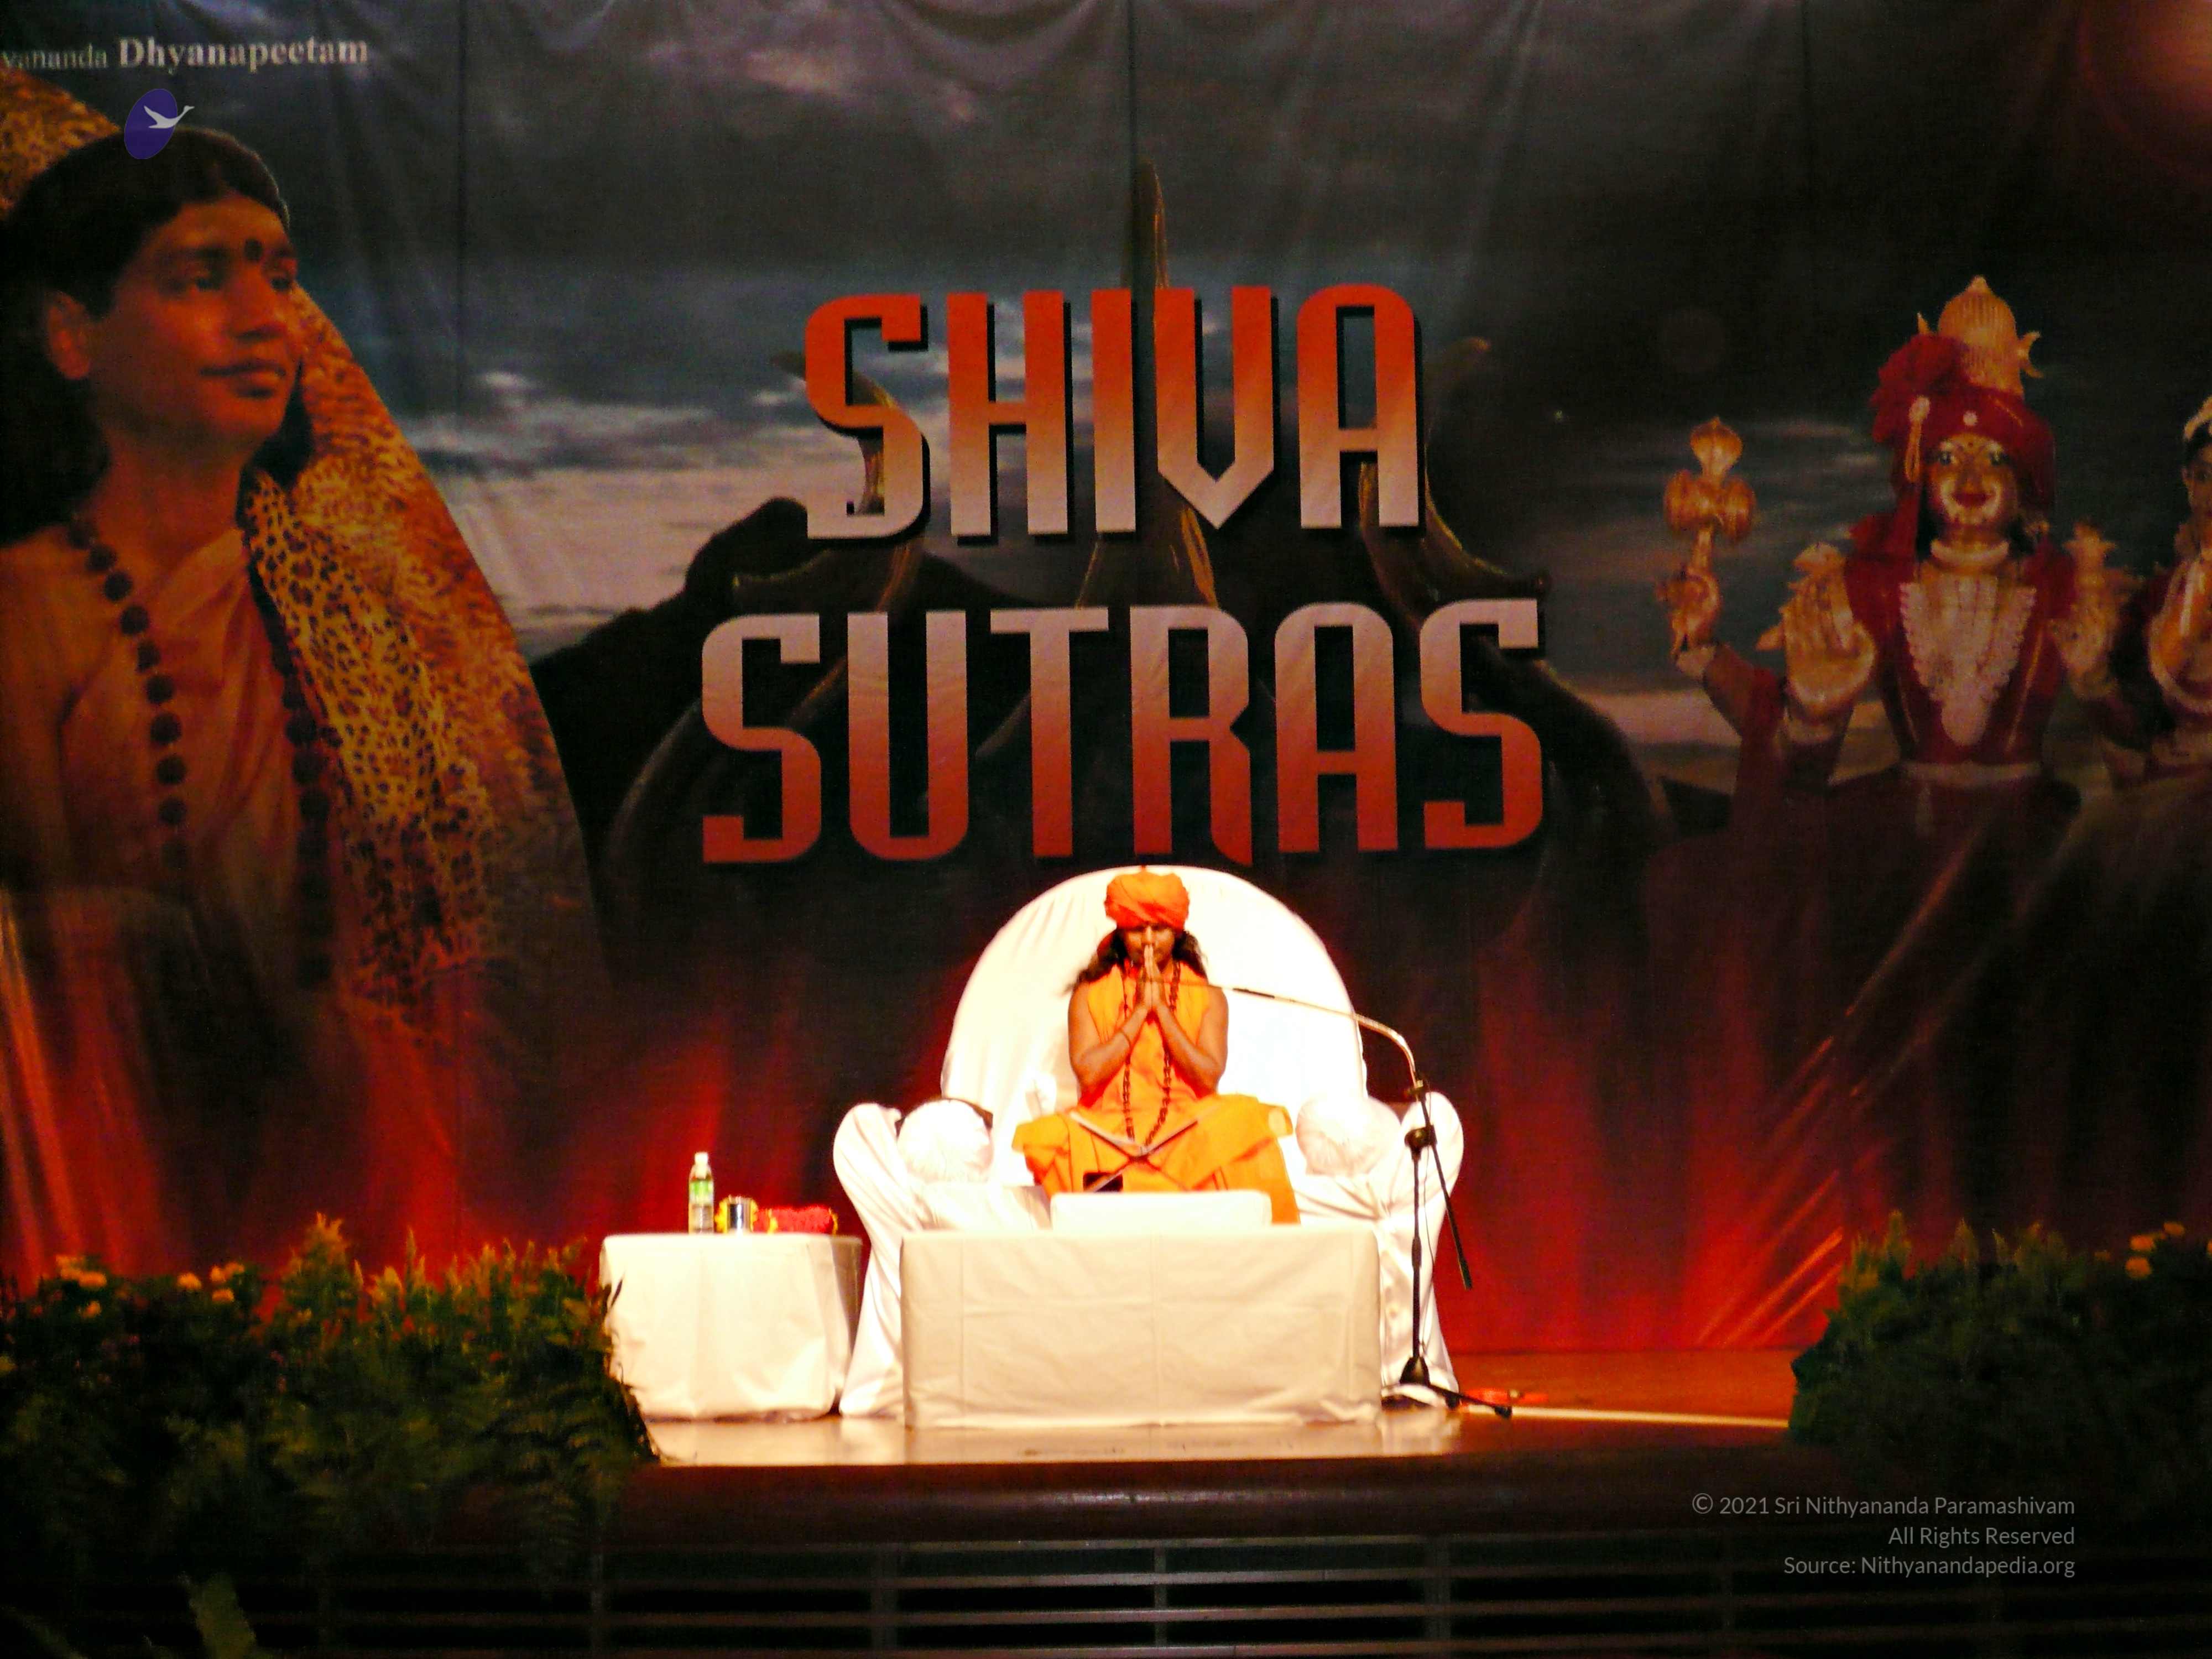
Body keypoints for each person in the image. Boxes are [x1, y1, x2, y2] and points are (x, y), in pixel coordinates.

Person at [0, 107, 599, 1281]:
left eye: (276, 277)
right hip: (103, 1217)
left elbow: (453, 953)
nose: (263, 319)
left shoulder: (358, 621)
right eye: (199, 278)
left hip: (370, 1198)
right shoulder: (23, 616)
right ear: (71, 335)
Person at [1012, 869, 1298, 1222]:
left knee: (1245, 1122)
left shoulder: (1208, 996)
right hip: (1106, 1128)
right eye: (1137, 929)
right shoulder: (1090, 992)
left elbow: (1208, 1077)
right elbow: (1088, 1074)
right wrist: (1138, 1013)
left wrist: (1162, 1010)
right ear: (1121, 932)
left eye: (1159, 928)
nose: (1148, 940)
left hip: (1187, 1127)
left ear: (1176, 931)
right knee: (1053, 1135)